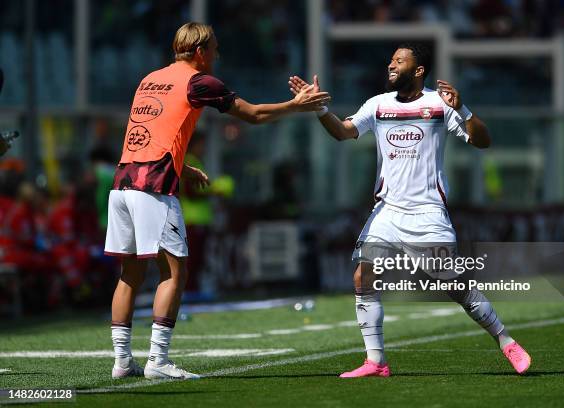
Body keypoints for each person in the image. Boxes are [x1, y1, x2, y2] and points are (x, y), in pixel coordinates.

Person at [288, 43, 531, 377]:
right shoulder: (378, 105)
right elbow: (343, 132)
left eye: (399, 61)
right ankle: (376, 361)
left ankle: (505, 340)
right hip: (386, 212)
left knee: (454, 285)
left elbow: (482, 141)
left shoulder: (438, 104)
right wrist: (320, 110)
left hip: (428, 213)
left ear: (418, 70)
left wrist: (465, 110)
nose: (391, 65)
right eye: (390, 60)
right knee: (363, 275)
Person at [104, 22, 330, 380]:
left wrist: (183, 167)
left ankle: (121, 362)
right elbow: (252, 115)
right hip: (154, 188)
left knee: (129, 274)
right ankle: (158, 362)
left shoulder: (149, 78)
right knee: (174, 274)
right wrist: (296, 105)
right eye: (214, 49)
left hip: (123, 183)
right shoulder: (199, 81)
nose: (217, 56)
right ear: (200, 51)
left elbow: (152, 132)